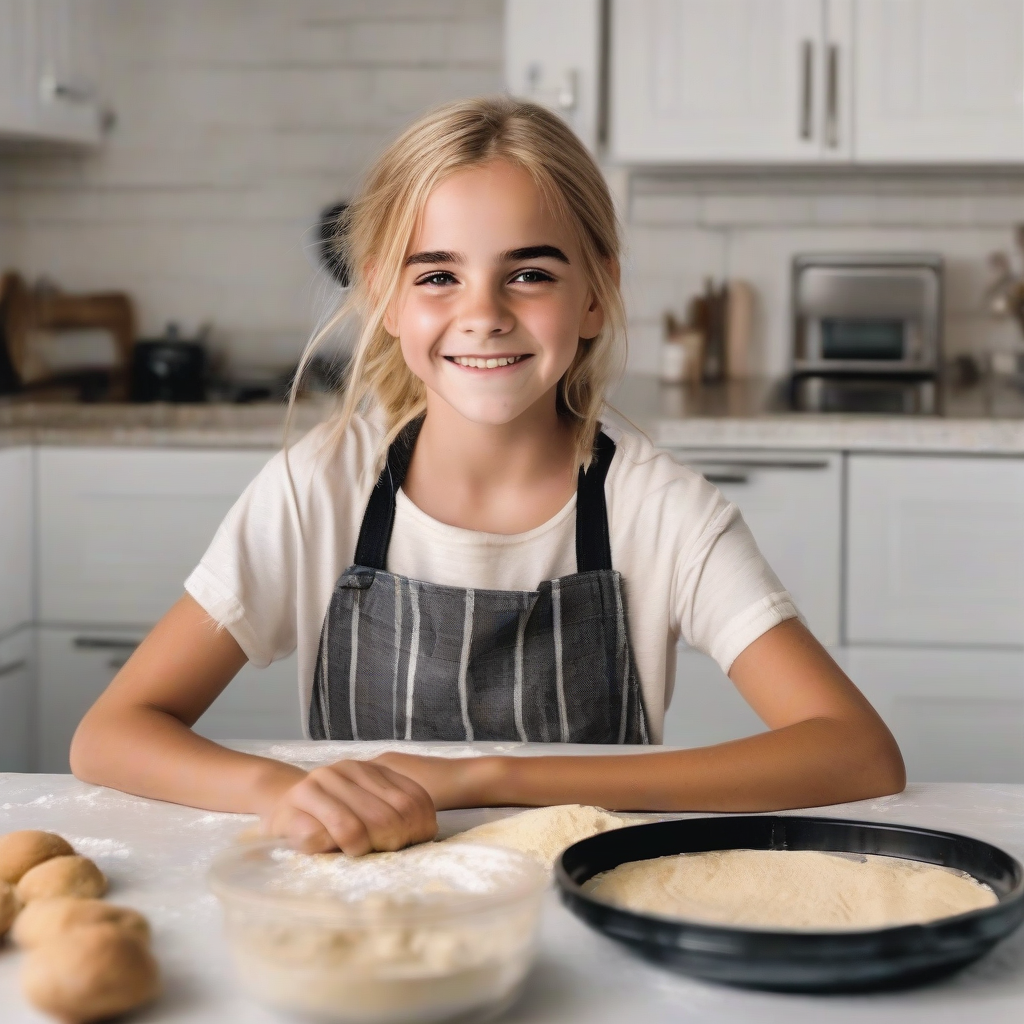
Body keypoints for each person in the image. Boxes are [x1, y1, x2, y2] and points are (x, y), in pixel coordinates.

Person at [70, 97, 905, 856]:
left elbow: (854, 749)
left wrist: (486, 778)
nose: (484, 311)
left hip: (587, 897)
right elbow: (110, 735)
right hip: (367, 902)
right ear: (385, 300)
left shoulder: (659, 509)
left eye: (530, 273)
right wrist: (285, 790)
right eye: (438, 275)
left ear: (595, 295)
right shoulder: (318, 489)